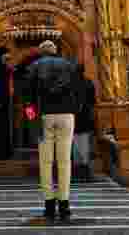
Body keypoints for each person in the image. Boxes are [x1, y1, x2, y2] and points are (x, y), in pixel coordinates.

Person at [27, 40, 83, 223]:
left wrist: (31, 118)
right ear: (55, 51)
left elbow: (27, 95)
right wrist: (75, 110)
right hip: (67, 115)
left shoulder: (34, 66)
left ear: (41, 53)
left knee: (45, 162)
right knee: (64, 160)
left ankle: (49, 205)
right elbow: (79, 90)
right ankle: (64, 204)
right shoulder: (69, 65)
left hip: (44, 116)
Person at [73, 64, 96, 181]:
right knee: (84, 145)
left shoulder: (70, 83)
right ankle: (85, 171)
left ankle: (78, 171)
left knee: (76, 145)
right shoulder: (88, 82)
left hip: (74, 117)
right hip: (85, 117)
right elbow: (93, 101)